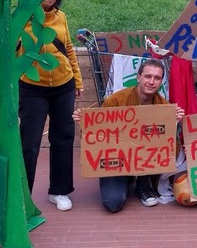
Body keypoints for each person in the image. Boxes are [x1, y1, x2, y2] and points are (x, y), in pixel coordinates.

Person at [73, 59, 185, 212]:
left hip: (144, 162)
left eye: (157, 78)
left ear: (160, 82)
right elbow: (96, 137)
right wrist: (85, 125)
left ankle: (143, 185)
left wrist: (174, 125)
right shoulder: (115, 101)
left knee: (152, 140)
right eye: (147, 76)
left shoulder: (164, 107)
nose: (151, 81)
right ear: (138, 77)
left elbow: (171, 152)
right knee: (113, 203)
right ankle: (126, 177)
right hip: (115, 160)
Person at [19, 0, 83, 211]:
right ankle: (22, 195)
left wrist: (77, 80)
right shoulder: (21, 20)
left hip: (63, 85)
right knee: (29, 142)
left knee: (64, 137)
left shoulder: (61, 17)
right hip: (32, 88)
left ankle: (60, 190)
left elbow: (68, 49)